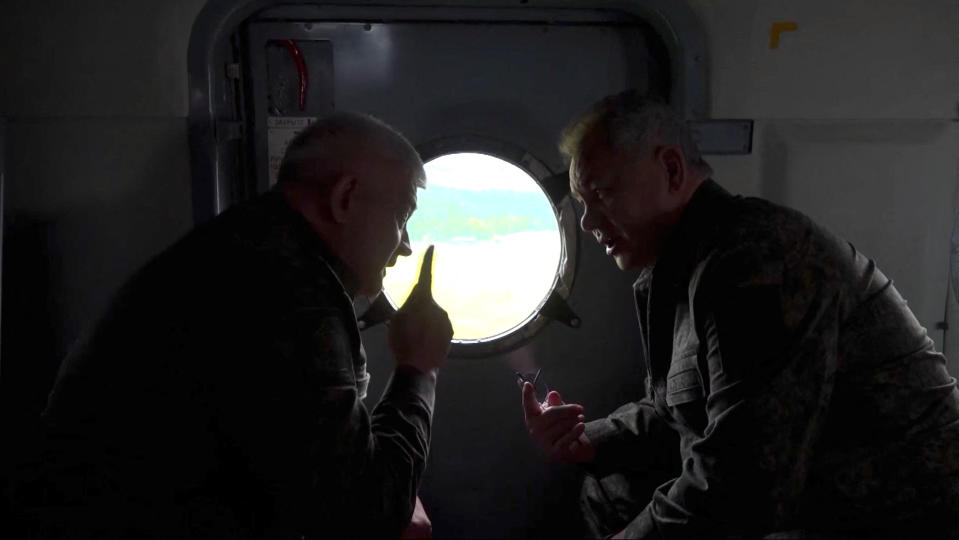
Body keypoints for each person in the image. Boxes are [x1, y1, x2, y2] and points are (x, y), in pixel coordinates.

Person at [521, 90, 959, 539]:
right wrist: (587, 442)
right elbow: (678, 413)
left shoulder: (760, 264)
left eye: (602, 193)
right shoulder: (684, 267)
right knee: (609, 489)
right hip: (816, 489)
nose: (588, 222)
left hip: (896, 510)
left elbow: (744, 488)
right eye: (582, 205)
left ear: (671, 170)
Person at [9, 112, 453, 539]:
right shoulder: (288, 292)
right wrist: (418, 367)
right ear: (344, 198)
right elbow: (363, 515)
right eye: (402, 216)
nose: (407, 246)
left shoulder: (248, 246)